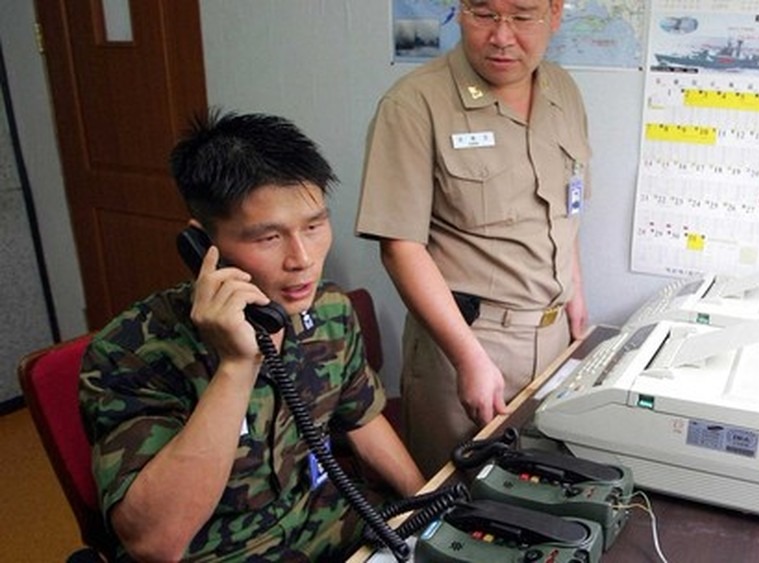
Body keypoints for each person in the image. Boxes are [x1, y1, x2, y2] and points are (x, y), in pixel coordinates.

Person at [79, 111, 425, 562]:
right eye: (268, 238)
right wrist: (236, 365)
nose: (302, 259)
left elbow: (361, 416)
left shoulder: (329, 310)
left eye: (313, 226)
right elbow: (155, 542)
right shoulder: (130, 352)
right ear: (202, 245)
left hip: (329, 528)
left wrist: (430, 510)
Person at [356, 0, 591, 477]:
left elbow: (566, 209)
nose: (502, 37)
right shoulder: (414, 104)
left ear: (554, 14)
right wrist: (469, 357)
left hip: (554, 340)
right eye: (484, 14)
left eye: (521, 16)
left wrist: (576, 298)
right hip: (467, 347)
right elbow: (399, 247)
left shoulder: (562, 90)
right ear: (461, 11)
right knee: (457, 499)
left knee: (540, 493)